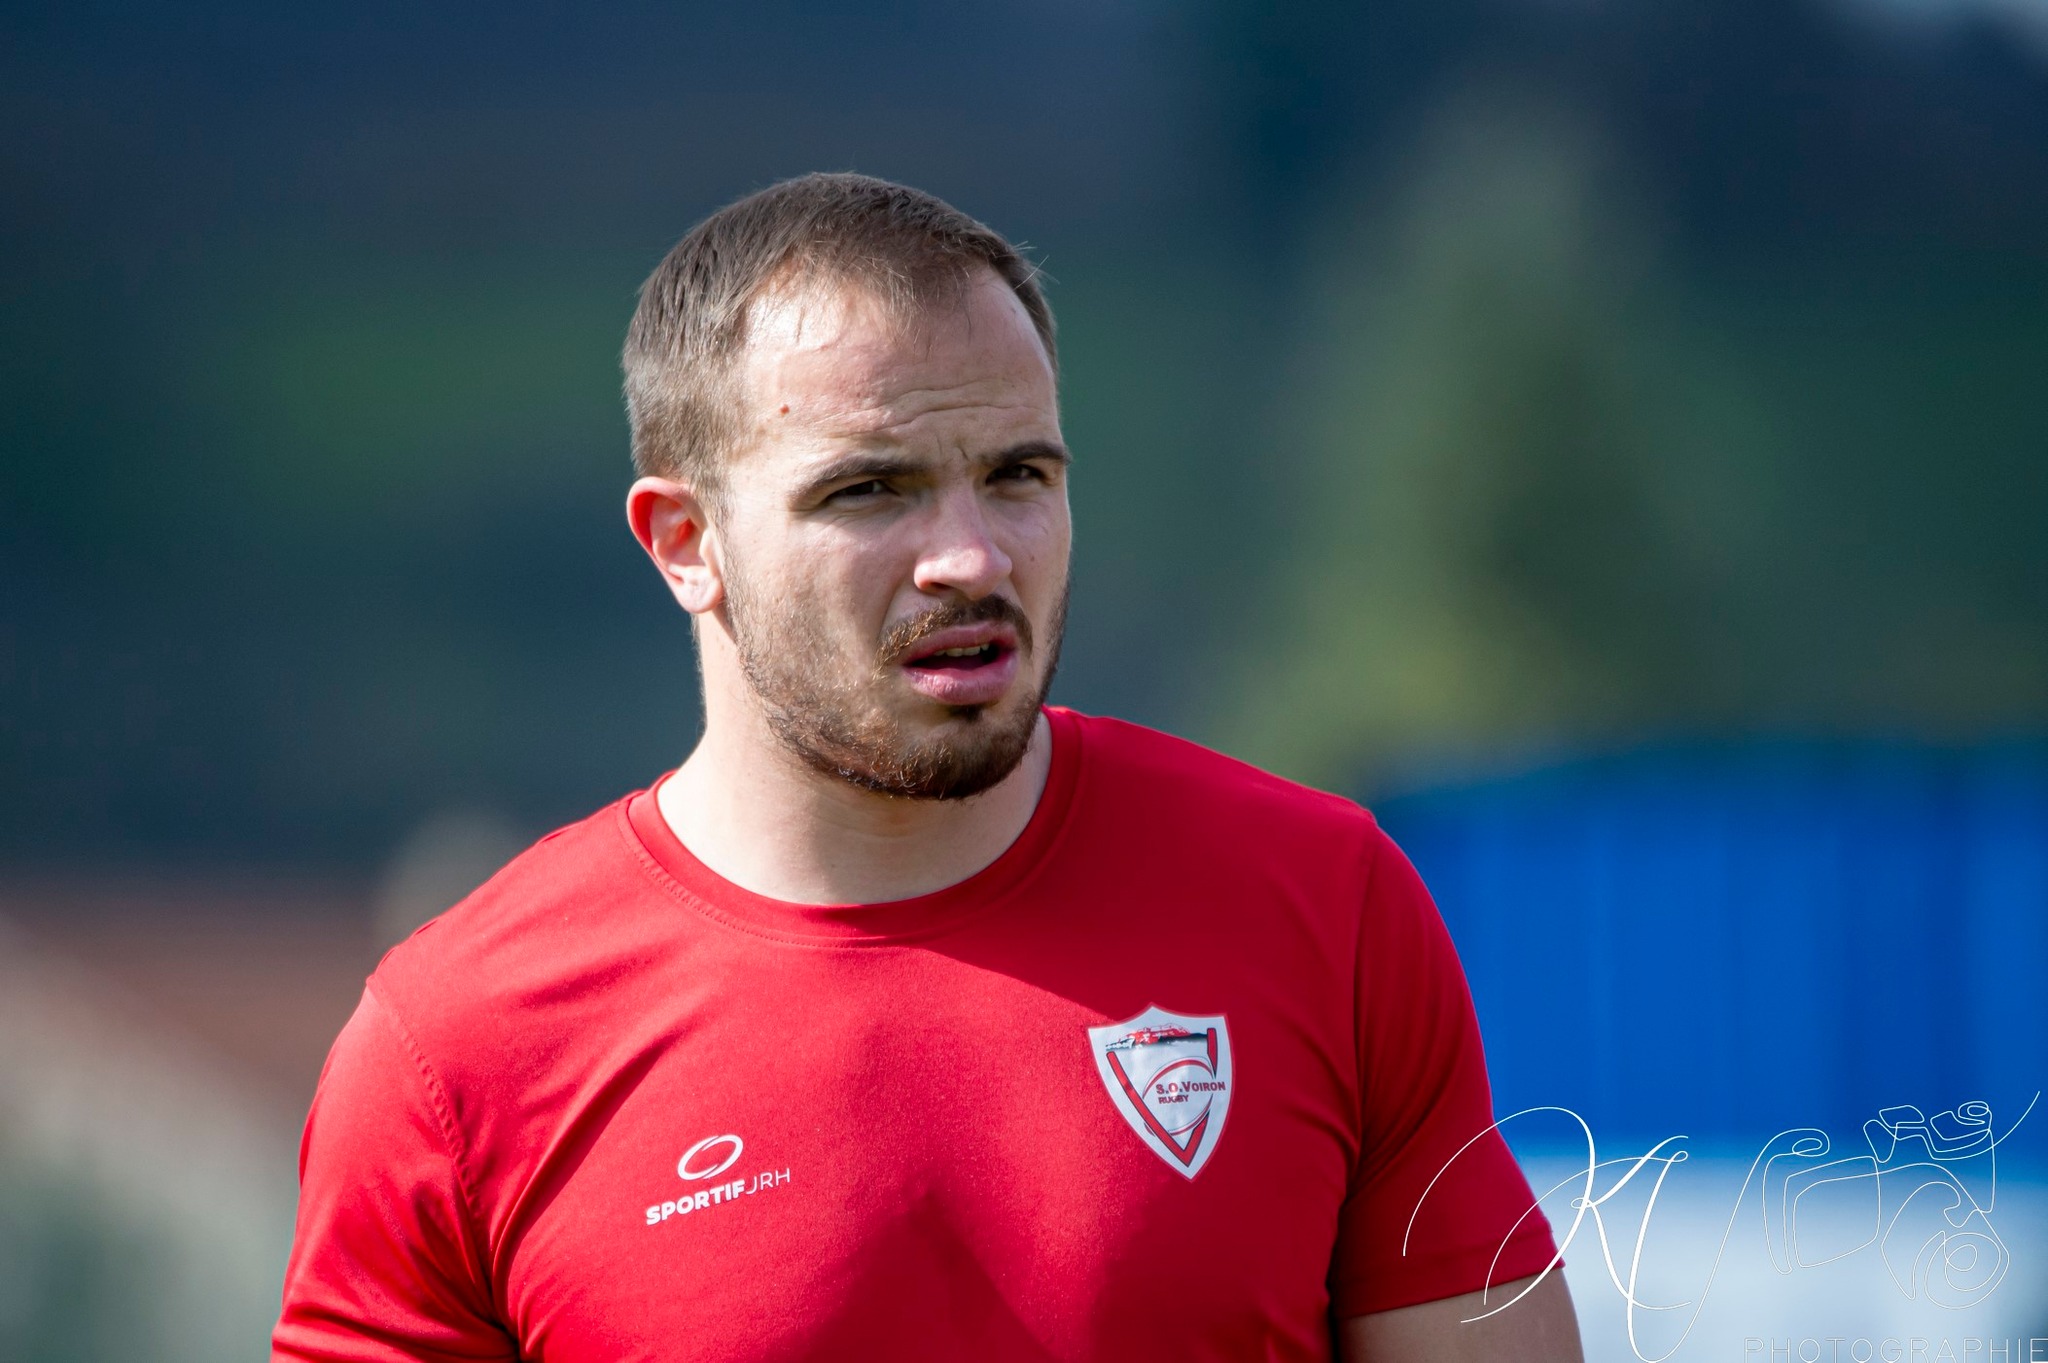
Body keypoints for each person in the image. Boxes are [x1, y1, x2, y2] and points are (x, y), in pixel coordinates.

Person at [272, 172, 1583, 1362]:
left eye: (1018, 475)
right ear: (685, 541)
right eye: (871, 491)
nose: (972, 556)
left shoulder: (1324, 908)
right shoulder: (456, 1053)